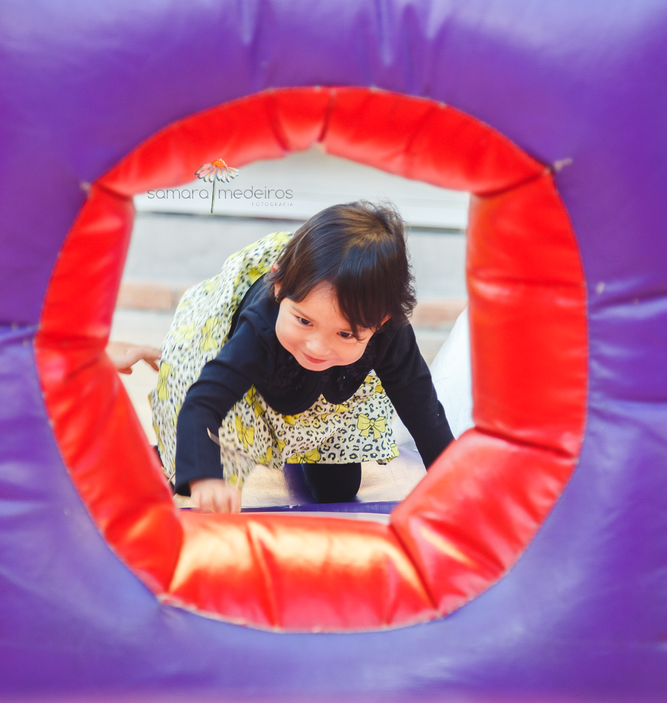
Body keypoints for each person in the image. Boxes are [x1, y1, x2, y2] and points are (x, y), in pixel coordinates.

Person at [150, 202, 454, 513]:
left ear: (381, 322)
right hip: (257, 387)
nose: (317, 347)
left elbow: (422, 407)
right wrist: (203, 475)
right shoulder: (261, 327)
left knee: (339, 489)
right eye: (305, 321)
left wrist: (454, 482)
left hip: (331, 392)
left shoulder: (389, 332)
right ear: (279, 286)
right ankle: (161, 456)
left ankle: (305, 447)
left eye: (345, 334)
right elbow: (204, 400)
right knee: (200, 454)